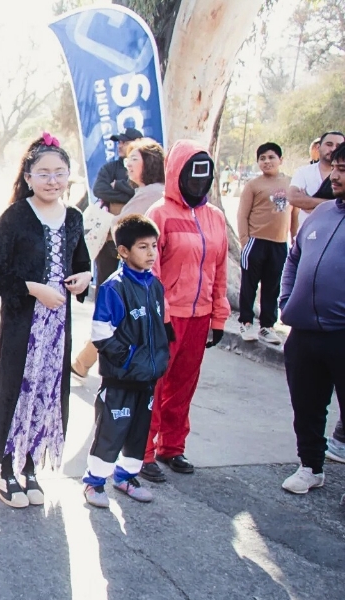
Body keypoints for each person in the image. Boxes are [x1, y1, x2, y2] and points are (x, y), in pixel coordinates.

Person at [0, 133, 91, 509]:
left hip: (59, 327)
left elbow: (83, 263)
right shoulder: (14, 217)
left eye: (59, 173)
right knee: (16, 388)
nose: (52, 181)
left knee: (47, 391)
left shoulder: (73, 217)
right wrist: (31, 289)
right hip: (22, 323)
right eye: (43, 173)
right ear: (28, 176)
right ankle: (4, 466)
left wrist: (84, 278)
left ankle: (29, 465)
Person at [137, 140, 230, 483]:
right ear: (177, 172)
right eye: (193, 174)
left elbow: (220, 270)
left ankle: (171, 447)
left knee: (183, 386)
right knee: (154, 385)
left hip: (200, 316)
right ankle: (143, 452)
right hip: (167, 316)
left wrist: (218, 317)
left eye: (205, 175)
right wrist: (160, 317)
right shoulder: (159, 214)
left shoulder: (216, 218)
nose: (198, 182)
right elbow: (149, 271)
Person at [81, 215, 170, 508]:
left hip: (147, 378)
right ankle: (94, 482)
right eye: (143, 247)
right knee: (111, 429)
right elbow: (101, 333)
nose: (151, 253)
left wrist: (158, 358)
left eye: (154, 246)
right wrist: (129, 359)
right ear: (123, 251)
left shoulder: (155, 285)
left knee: (138, 431)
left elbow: (159, 326)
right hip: (121, 378)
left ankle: (126, 476)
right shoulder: (113, 288)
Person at [279, 143, 345, 494]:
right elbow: (294, 258)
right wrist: (286, 301)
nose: (334, 175)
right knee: (306, 406)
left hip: (341, 335)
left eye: (344, 170)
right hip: (304, 333)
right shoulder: (321, 213)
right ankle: (310, 467)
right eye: (335, 167)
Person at [73, 137, 166, 377]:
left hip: (139, 273)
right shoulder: (147, 192)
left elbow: (121, 226)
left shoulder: (149, 194)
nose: (128, 164)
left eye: (134, 159)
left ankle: (84, 363)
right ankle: (83, 363)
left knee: (114, 319)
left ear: (149, 164)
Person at [236, 143, 296, 345]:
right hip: (255, 242)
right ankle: (246, 322)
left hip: (279, 244)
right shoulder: (253, 185)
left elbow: (293, 214)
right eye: (262, 158)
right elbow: (242, 214)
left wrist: (294, 238)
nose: (267, 161)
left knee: (272, 286)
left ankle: (267, 326)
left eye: (271, 157)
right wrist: (245, 241)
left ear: (280, 159)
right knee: (249, 285)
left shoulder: (291, 184)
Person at [91, 127, 141, 289]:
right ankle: (102, 315)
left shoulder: (146, 170)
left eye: (125, 142)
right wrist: (131, 196)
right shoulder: (110, 168)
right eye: (119, 142)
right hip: (109, 238)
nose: (120, 145)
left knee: (135, 284)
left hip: (138, 238)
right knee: (105, 283)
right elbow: (99, 190)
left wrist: (118, 185)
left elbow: (146, 193)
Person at [288, 131, 344, 227]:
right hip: (308, 234)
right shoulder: (303, 172)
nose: (333, 149)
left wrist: (309, 202)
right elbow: (292, 197)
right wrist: (335, 204)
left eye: (338, 145)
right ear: (318, 147)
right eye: (329, 144)